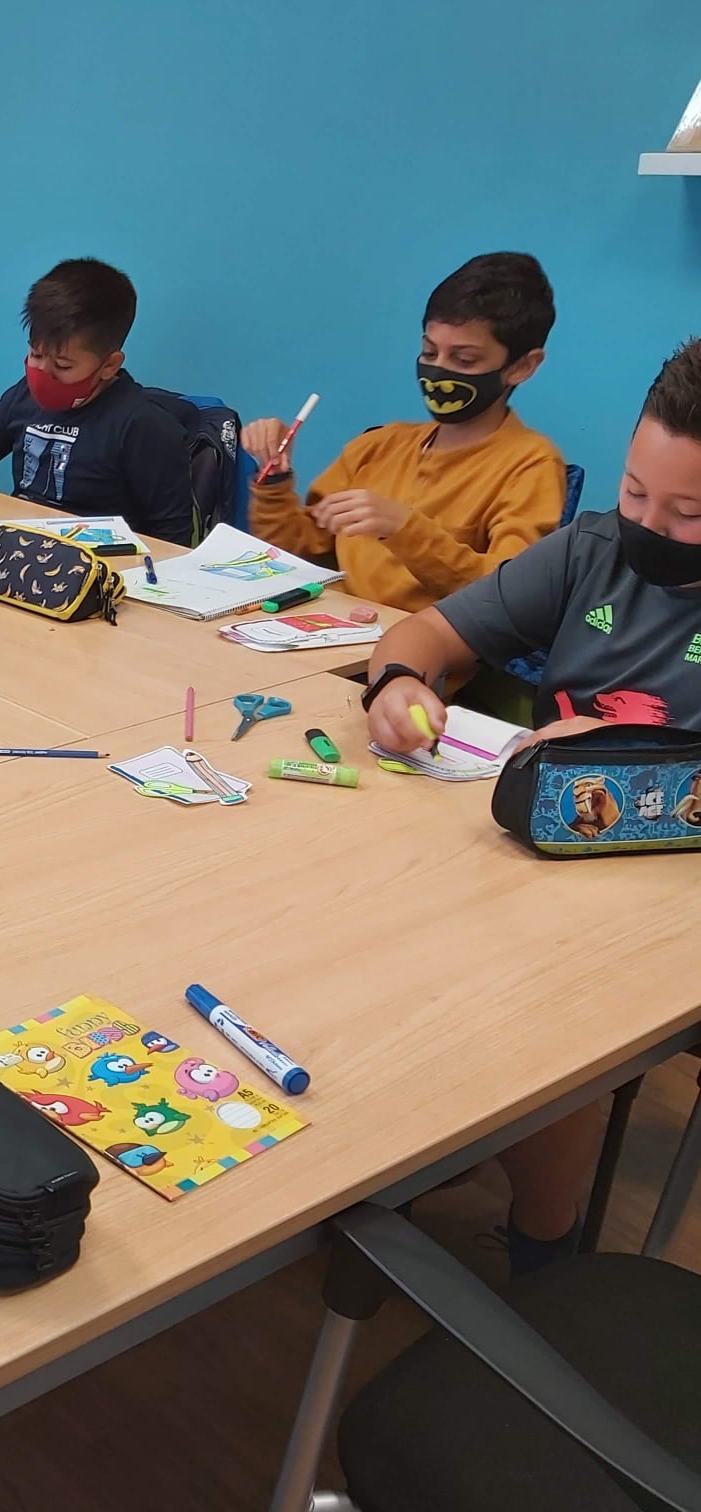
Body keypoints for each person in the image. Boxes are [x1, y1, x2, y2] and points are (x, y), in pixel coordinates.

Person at [365, 336, 701, 1274]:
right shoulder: (591, 550)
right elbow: (426, 632)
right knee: (382, 932)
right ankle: (416, 1148)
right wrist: (398, 682)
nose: (648, 526)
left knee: (553, 1031)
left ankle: (545, 1250)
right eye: (636, 492)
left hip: (665, 903)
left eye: (688, 513)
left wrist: (615, 752)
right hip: (538, 856)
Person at [245, 253, 565, 612]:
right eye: (429, 352)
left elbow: (509, 593)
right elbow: (295, 553)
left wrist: (404, 529)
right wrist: (275, 478)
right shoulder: (378, 446)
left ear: (523, 366)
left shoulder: (531, 464)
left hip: (423, 644)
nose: (439, 371)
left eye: (464, 360)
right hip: (331, 628)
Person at [0, 258, 199, 544]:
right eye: (36, 355)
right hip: (23, 546)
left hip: (97, 560)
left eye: (63, 366)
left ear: (109, 365)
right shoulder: (24, 397)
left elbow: (172, 539)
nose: (43, 373)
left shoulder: (143, 426)